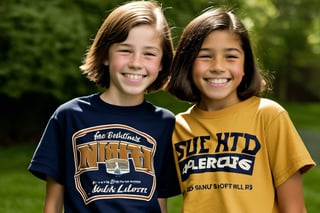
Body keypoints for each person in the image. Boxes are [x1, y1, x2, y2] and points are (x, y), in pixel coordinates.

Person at [28, 1, 180, 212]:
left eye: (149, 54)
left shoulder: (166, 123)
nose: (136, 62)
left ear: (163, 62)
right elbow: (53, 203)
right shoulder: (70, 116)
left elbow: (160, 200)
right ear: (105, 55)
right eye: (125, 50)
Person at [167, 7, 316, 213]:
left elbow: (295, 209)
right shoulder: (177, 127)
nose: (218, 66)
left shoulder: (269, 115)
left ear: (245, 64)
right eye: (205, 56)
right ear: (187, 63)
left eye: (231, 56)